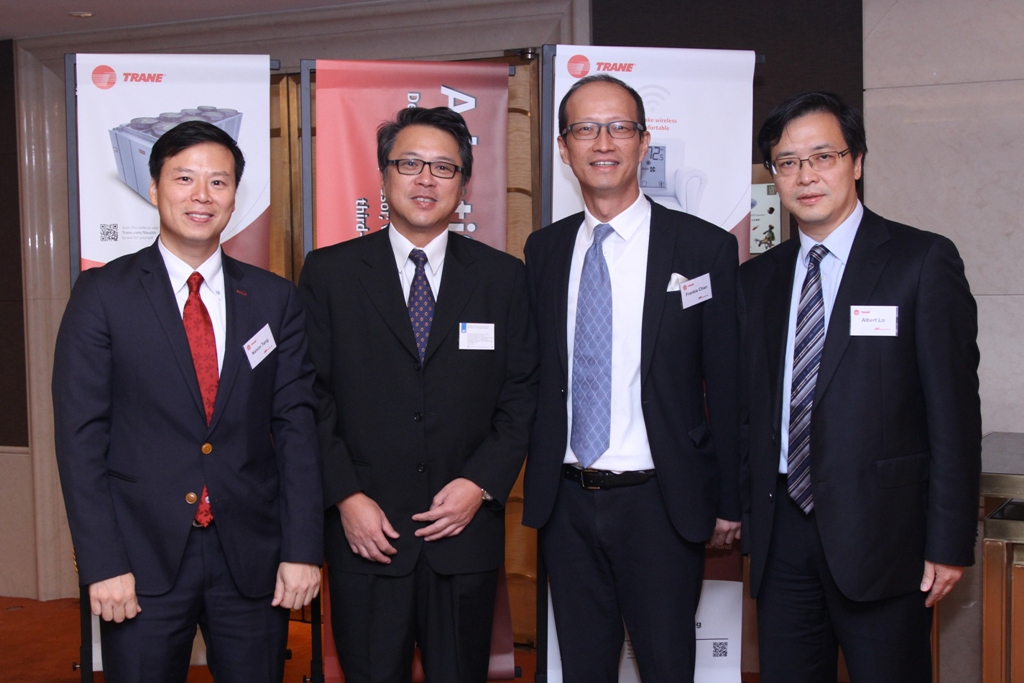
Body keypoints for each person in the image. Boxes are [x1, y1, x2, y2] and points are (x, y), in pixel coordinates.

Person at [52, 120, 323, 683]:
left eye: (218, 182)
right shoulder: (103, 295)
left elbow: (297, 430)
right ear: (154, 189)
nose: (202, 195)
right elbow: (80, 440)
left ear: (234, 197)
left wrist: (302, 549)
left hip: (251, 559)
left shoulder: (274, 299)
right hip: (140, 559)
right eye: (184, 178)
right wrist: (103, 563)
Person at [739, 91, 981, 682]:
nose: (806, 176)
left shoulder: (921, 260)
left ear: (858, 162)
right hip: (782, 534)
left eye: (823, 156)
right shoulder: (757, 279)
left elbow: (954, 415)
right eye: (787, 162)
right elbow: (748, 410)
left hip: (887, 537)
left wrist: (949, 540)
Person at [298, 106, 537, 683]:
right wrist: (345, 497)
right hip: (367, 533)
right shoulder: (329, 274)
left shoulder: (503, 278)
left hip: (464, 533)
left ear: (464, 183)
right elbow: (309, 397)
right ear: (383, 175)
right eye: (410, 164)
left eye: (443, 167)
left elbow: (523, 394)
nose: (426, 179)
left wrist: (480, 484)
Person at [522, 74, 741, 683]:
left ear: (644, 142)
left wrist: (730, 499)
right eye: (585, 129)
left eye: (619, 127)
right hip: (566, 500)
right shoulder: (543, 251)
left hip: (661, 503)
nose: (603, 142)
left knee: (667, 665)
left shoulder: (702, 248)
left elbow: (726, 382)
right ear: (564, 148)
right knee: (582, 668)